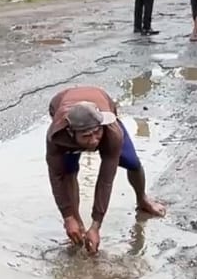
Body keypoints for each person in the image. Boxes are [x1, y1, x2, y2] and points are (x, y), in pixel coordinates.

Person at [46, 86, 167, 255]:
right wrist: (68, 217)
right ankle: (77, 225)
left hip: (101, 101)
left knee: (132, 162)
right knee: (68, 170)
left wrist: (96, 225)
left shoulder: (110, 131)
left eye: (96, 133)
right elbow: (56, 176)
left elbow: (105, 180)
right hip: (61, 105)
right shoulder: (57, 136)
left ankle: (143, 199)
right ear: (70, 133)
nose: (94, 140)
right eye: (87, 136)